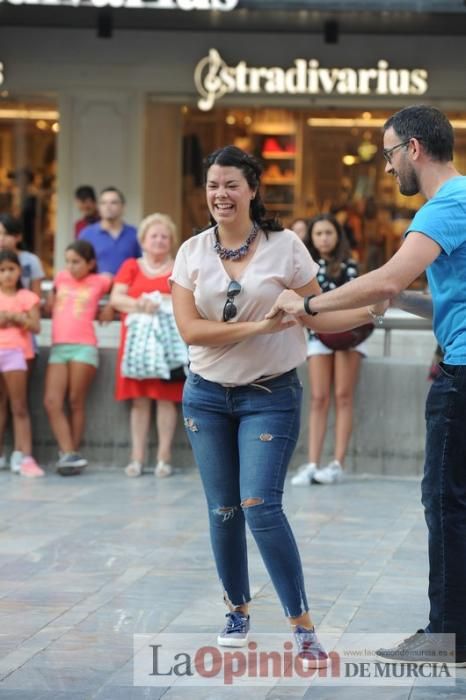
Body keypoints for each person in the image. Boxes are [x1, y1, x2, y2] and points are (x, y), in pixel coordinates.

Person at [268, 105, 466, 666]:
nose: (387, 168)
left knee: (444, 502)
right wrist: (397, 300)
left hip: (461, 375)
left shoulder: (442, 208)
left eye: (389, 153)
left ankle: (446, 634)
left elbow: (384, 275)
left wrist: (305, 303)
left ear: (415, 150)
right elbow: (436, 302)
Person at [170, 145, 380, 666]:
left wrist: (366, 309)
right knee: (222, 512)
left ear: (252, 189)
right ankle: (236, 608)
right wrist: (262, 325)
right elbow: (191, 330)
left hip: (269, 395)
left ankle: (302, 624)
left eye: (231, 185)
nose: (221, 194)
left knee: (260, 507)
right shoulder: (191, 252)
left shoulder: (286, 247)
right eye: (213, 185)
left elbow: (315, 315)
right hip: (206, 396)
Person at [292, 214, 366, 487]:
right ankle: (312, 463)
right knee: (319, 398)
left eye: (329, 233)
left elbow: (358, 298)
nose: (324, 238)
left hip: (348, 335)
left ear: (338, 236)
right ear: (311, 236)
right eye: (318, 233)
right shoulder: (305, 268)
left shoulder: (350, 265)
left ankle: (337, 463)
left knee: (343, 396)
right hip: (317, 335)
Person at [110, 213, 184, 479]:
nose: (159, 240)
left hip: (168, 346)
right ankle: (137, 457)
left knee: (167, 400)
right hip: (136, 347)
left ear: (172, 241)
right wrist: (140, 304)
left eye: (165, 236)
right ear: (143, 239)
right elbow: (116, 299)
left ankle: (164, 457)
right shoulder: (131, 265)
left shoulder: (179, 267)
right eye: (154, 235)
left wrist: (161, 302)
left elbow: (189, 300)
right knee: (139, 402)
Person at [43, 240, 112, 476]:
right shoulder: (60, 278)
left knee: (75, 401)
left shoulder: (100, 280)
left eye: (76, 262)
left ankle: (70, 455)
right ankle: (69, 453)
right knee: (52, 401)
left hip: (84, 347)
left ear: (90, 263)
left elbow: (122, 285)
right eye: (68, 261)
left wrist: (111, 304)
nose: (70, 267)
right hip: (58, 347)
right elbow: (50, 301)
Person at [0, 214, 44, 473]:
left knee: (19, 404)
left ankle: (23, 454)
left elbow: (36, 325)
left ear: (20, 271)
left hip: (17, 352)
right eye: (2, 270)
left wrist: (16, 317)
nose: (7, 275)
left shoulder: (27, 296)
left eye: (11, 270)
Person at [79, 187, 140, 323]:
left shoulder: (135, 235)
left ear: (122, 207)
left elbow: (141, 268)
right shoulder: (86, 234)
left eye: (113, 203)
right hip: (94, 302)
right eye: (104, 203)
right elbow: (79, 271)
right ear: (98, 207)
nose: (108, 207)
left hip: (127, 300)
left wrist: (115, 302)